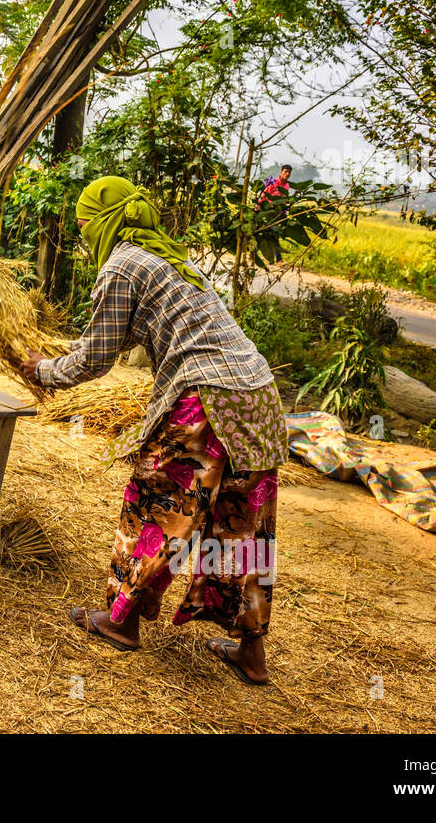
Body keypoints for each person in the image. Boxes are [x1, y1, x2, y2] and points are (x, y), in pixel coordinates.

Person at [21, 176, 287, 685]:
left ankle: (120, 620)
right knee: (242, 527)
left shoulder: (122, 265)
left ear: (106, 219)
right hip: (258, 396)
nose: (80, 230)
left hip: (207, 399)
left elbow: (97, 357)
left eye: (83, 220)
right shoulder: (172, 259)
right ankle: (251, 651)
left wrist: (44, 371)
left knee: (155, 505)